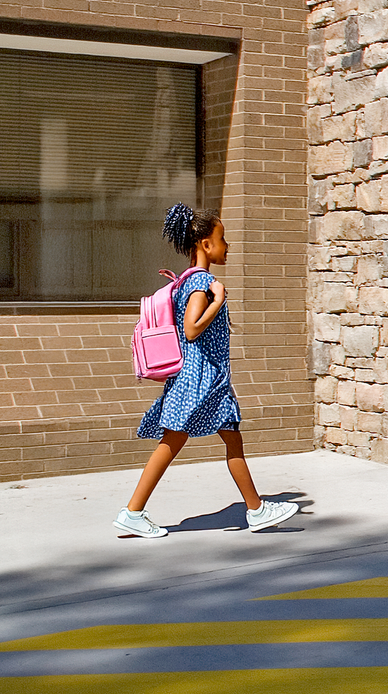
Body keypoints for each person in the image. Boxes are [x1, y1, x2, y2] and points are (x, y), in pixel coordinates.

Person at [115, 205, 298, 538]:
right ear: (204, 244)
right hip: (202, 379)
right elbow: (190, 329)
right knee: (208, 441)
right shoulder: (201, 282)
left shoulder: (189, 279)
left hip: (199, 377)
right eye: (222, 238)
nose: (227, 245)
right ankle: (255, 510)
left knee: (182, 440)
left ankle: (134, 512)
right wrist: (217, 300)